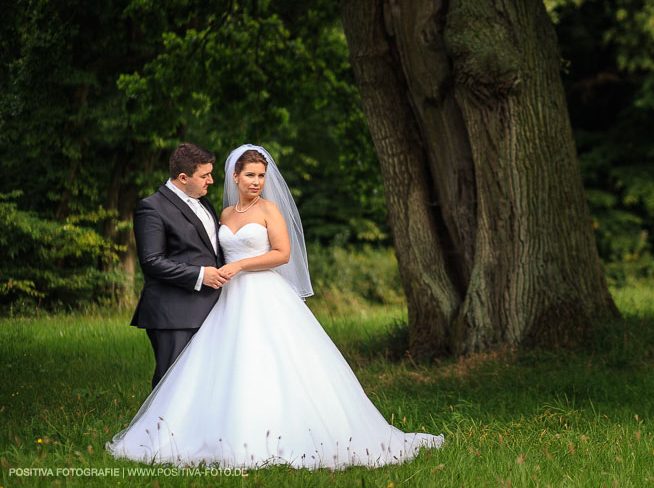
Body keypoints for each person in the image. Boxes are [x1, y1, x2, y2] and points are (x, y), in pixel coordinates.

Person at [107, 144, 444, 469]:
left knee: (274, 362)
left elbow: (282, 254)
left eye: (262, 175)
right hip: (225, 300)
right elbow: (186, 256)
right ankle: (188, 435)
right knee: (213, 368)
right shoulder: (220, 212)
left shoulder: (269, 209)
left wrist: (239, 266)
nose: (256, 181)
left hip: (264, 294)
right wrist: (218, 272)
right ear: (235, 177)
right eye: (250, 174)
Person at [131, 143, 229, 388]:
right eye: (205, 175)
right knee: (173, 385)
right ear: (183, 178)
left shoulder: (204, 203)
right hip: (173, 313)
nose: (212, 181)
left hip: (210, 309)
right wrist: (200, 275)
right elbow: (152, 261)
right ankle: (160, 428)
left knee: (204, 384)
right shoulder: (152, 208)